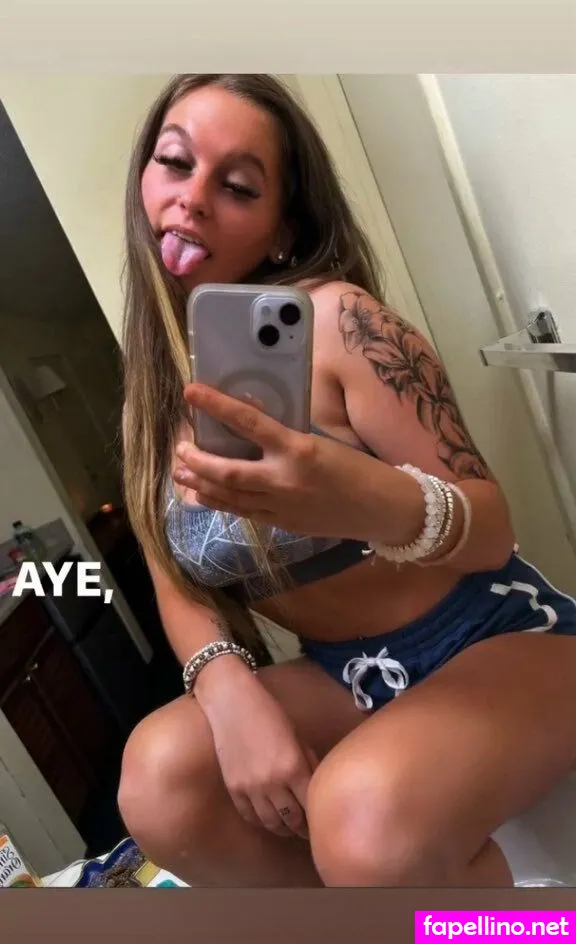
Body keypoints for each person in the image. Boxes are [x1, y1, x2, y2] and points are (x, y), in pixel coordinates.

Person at [117, 73, 576, 888]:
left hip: (500, 636)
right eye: (176, 163)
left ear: (283, 229)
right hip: (347, 670)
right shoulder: (148, 402)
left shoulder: (338, 321)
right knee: (161, 780)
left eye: (237, 186)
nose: (192, 199)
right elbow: (174, 581)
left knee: (363, 825)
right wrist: (227, 691)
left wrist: (359, 497)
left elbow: (492, 528)